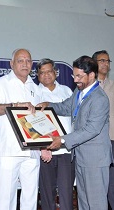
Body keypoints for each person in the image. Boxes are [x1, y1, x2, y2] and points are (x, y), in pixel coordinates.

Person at [38, 55, 113, 210]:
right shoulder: (79, 92)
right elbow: (65, 107)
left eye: (79, 76)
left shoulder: (99, 98)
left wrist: (62, 140)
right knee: (84, 203)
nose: (75, 79)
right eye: (74, 75)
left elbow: (91, 129)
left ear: (91, 75)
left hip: (95, 160)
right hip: (80, 157)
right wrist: (47, 105)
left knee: (96, 204)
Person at [0, 48, 41, 210]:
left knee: (31, 195)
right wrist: (14, 106)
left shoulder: (35, 87)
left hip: (33, 149)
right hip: (10, 149)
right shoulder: (1, 83)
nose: (25, 64)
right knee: (6, 196)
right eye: (20, 60)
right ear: (11, 64)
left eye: (28, 61)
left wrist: (44, 144)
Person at [36, 58, 75, 210]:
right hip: (45, 151)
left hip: (66, 149)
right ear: (38, 75)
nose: (46, 75)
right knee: (47, 194)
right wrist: (42, 147)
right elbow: (31, 122)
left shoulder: (67, 91)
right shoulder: (34, 92)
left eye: (49, 71)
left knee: (66, 194)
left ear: (55, 72)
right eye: (42, 73)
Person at [92, 50, 114, 210]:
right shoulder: (88, 85)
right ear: (94, 63)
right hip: (94, 140)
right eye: (102, 60)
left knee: (113, 180)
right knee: (97, 180)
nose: (105, 63)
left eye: (108, 61)